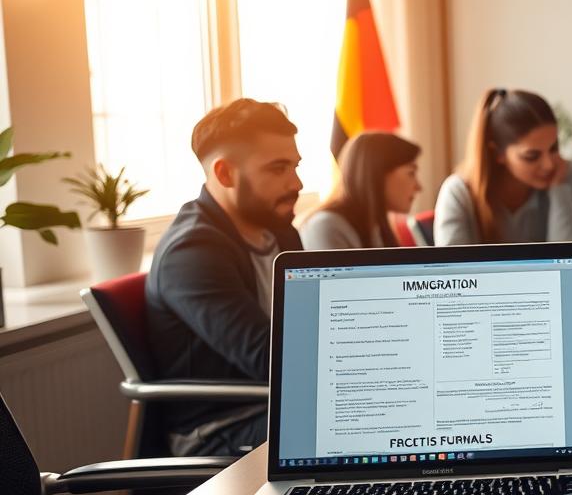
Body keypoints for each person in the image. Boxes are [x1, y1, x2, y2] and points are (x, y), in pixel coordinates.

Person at [146, 99, 303, 456]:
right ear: (224, 174)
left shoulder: (281, 232)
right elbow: (270, 359)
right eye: (278, 169)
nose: (296, 182)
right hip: (223, 427)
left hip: (277, 402)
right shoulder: (191, 253)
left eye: (295, 166)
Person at [434, 88, 572, 245]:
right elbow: (453, 268)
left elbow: (570, 259)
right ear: (498, 153)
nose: (549, 165)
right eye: (532, 156)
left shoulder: (566, 175)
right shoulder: (458, 192)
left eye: (553, 148)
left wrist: (558, 189)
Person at [301, 132, 422, 249]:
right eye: (411, 173)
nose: (419, 187)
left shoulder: (375, 226)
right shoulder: (326, 226)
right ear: (377, 174)